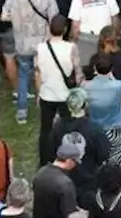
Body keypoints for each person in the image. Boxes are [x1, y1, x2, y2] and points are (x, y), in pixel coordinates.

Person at [3, 0, 59, 124]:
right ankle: (47, 109)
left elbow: (4, 15)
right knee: (45, 76)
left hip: (22, 42)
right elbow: (54, 18)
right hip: (42, 42)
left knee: (23, 76)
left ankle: (22, 113)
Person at [36, 15, 81, 159]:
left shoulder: (40, 48)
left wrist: (39, 92)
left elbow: (37, 73)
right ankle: (69, 156)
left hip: (46, 93)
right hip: (65, 95)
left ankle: (45, 159)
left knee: (46, 129)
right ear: (65, 29)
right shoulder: (71, 48)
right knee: (68, 128)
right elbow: (78, 73)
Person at [84, 52, 121, 171]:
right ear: (111, 68)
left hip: (95, 128)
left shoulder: (86, 86)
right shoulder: (118, 85)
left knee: (96, 158)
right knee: (116, 158)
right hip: (114, 128)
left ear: (95, 68)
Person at [33, 140, 83, 218]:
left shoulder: (40, 173)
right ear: (69, 160)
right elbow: (71, 214)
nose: (75, 165)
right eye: (75, 162)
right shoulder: (66, 184)